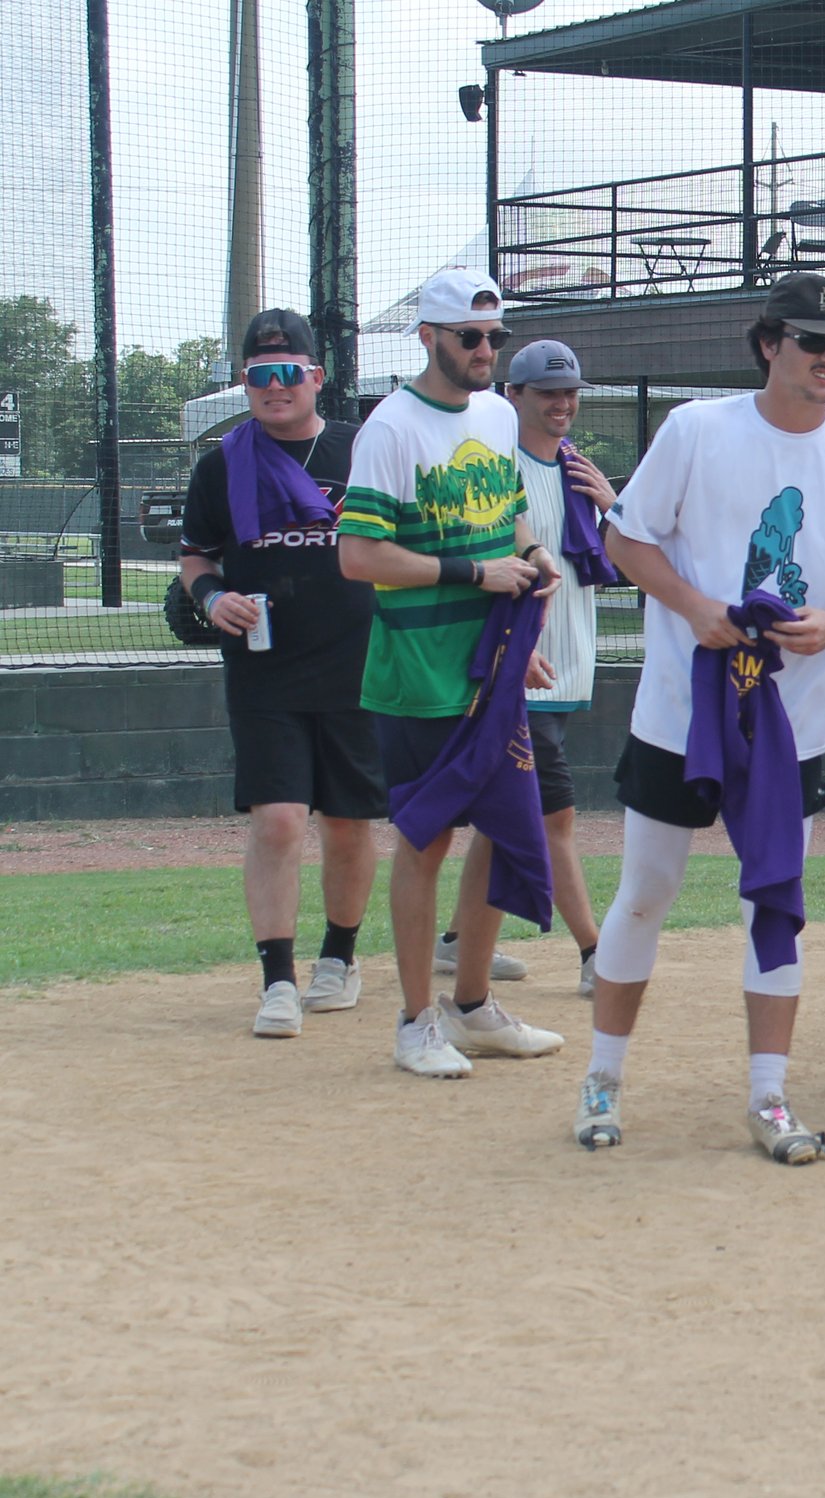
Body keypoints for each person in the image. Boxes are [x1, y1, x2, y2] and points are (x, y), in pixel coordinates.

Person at [578, 273, 825, 1160]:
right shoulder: (699, 429)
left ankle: (769, 1097)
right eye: (814, 343)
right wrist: (694, 607)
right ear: (770, 344)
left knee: (776, 902)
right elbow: (624, 537)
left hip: (788, 727)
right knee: (647, 892)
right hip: (681, 713)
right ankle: (602, 1080)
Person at [337, 268, 567, 1079]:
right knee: (426, 842)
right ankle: (413, 1022)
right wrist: (476, 576)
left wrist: (533, 557)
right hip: (417, 675)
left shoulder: (500, 416)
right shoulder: (390, 428)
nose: (484, 350)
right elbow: (359, 555)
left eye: (494, 337)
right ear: (427, 336)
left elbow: (505, 518)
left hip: (489, 669)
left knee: (507, 829)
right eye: (469, 336)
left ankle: (471, 1007)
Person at [176, 307, 380, 1040]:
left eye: (288, 372)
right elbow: (197, 554)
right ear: (246, 383)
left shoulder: (364, 451)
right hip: (265, 669)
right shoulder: (223, 463)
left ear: (315, 377)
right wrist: (211, 595)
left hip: (359, 667)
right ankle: (278, 979)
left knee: (351, 827)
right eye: (260, 376)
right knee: (279, 820)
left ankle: (341, 958)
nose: (275, 387)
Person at [450, 338, 613, 1001]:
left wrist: (614, 504)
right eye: (547, 391)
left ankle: (457, 942)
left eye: (569, 391)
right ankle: (595, 952)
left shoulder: (578, 471)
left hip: (569, 672)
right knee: (555, 819)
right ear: (511, 396)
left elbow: (622, 561)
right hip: (523, 673)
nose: (562, 403)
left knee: (497, 820)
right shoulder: (494, 469)